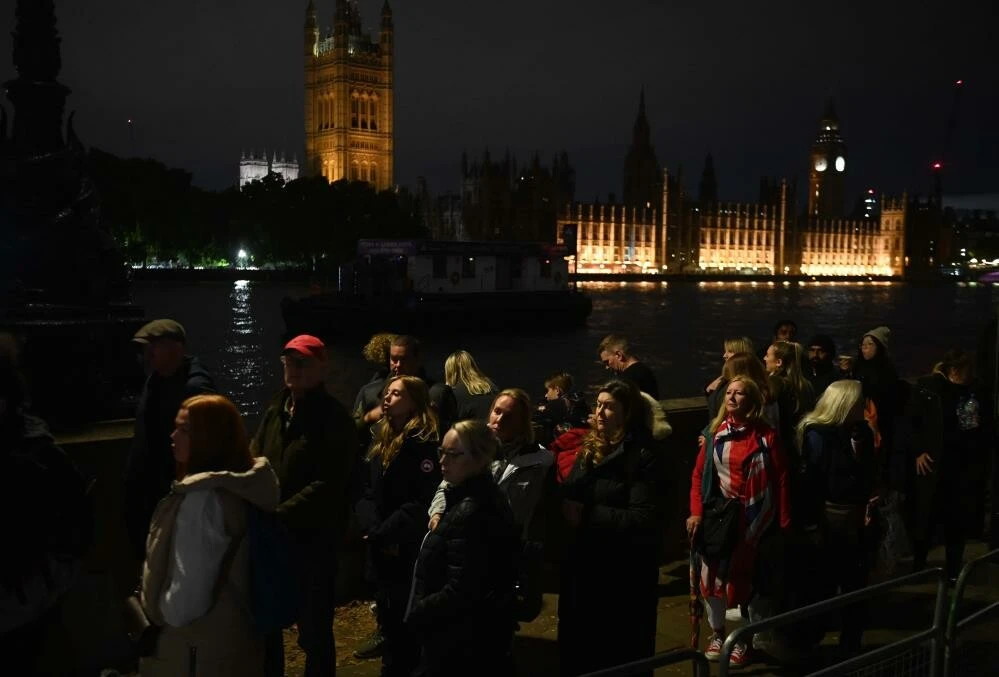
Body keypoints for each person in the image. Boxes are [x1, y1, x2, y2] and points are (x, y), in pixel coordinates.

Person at [139, 394, 280, 677]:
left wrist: (155, 607)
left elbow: (184, 605)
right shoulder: (239, 488)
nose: (173, 435)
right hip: (232, 640)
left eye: (184, 430)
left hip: (195, 653)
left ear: (209, 439)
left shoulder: (201, 502)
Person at [251, 335, 356, 677]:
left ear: (321, 367)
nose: (294, 369)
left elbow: (330, 484)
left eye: (303, 362)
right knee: (268, 626)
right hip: (275, 538)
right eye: (289, 362)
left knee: (314, 631)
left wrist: (279, 514)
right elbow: (255, 457)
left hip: (312, 542)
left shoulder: (334, 419)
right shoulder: (275, 410)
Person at [558, 379, 666, 676]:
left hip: (622, 574)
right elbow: (572, 491)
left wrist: (589, 514)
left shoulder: (643, 456)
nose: (600, 412)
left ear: (627, 412)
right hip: (586, 566)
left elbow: (644, 517)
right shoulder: (590, 448)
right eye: (599, 405)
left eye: (609, 407)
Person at [0, 347, 92, 676]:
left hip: (25, 626)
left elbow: (72, 540)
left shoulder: (39, 462)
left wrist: (23, 603)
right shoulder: (43, 458)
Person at [688, 377, 791, 668]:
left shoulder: (766, 437)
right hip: (718, 520)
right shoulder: (714, 434)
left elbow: (781, 481)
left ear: (753, 400)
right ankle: (718, 634)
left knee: (746, 585)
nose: (731, 397)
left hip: (752, 523)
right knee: (712, 582)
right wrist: (696, 512)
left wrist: (783, 524)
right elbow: (698, 477)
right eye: (729, 392)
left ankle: (742, 640)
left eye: (739, 393)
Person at [406, 420, 520, 677]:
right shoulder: (463, 498)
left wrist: (420, 610)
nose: (442, 461)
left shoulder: (474, 512)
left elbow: (462, 588)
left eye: (453, 454)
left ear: (479, 459)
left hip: (461, 643)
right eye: (441, 452)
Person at [354, 376, 441, 677]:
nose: (387, 398)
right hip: (380, 537)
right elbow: (367, 488)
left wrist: (383, 531)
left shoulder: (422, 444)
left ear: (414, 401)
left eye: (395, 394)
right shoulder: (382, 438)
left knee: (405, 620)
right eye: (386, 393)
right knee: (388, 613)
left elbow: (419, 501)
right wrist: (368, 522)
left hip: (402, 545)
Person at [124, 319, 215, 560]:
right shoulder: (157, 379)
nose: (147, 354)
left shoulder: (196, 390)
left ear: (176, 348)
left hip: (170, 497)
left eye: (153, 346)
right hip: (152, 495)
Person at [797, 380, 877, 651]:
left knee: (856, 584)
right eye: (860, 401)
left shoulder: (862, 432)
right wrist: (813, 526)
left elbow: (868, 471)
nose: (865, 406)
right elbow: (812, 484)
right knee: (826, 583)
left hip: (857, 518)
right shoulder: (819, 436)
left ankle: (850, 643)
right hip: (831, 519)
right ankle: (813, 642)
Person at [429, 389, 554, 538]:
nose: (499, 420)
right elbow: (446, 485)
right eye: (497, 411)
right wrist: (437, 513)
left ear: (522, 423)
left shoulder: (539, 461)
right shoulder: (472, 447)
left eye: (509, 416)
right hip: (460, 536)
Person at [913, 350, 994, 580]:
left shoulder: (975, 391)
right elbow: (915, 423)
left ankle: (953, 570)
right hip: (937, 464)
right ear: (955, 371)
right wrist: (919, 451)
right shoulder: (931, 389)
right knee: (927, 519)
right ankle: (919, 566)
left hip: (962, 465)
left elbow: (981, 427)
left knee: (956, 522)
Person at [764, 341, 815, 465]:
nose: (764, 358)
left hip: (778, 445)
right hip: (798, 444)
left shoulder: (775, 383)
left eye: (767, 355)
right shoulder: (806, 385)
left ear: (779, 362)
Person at [533, 371, 590, 446]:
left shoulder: (559, 404)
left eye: (548, 390)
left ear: (557, 390)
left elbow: (533, 415)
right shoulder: (580, 402)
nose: (546, 395)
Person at [705, 338, 756, 417]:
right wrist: (709, 391)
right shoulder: (723, 379)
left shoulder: (749, 384)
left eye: (730, 351)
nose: (724, 355)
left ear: (741, 354)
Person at [598, 335, 660, 399]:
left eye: (607, 362)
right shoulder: (645, 370)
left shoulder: (625, 381)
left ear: (619, 355)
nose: (607, 367)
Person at [443, 349, 498, 422]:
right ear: (472, 365)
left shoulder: (452, 393)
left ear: (449, 371)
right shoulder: (490, 385)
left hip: (472, 431)